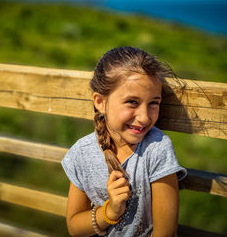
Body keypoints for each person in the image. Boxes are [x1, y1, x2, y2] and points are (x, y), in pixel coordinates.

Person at [61, 46, 187, 237]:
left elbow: (165, 233)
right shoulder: (82, 152)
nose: (144, 118)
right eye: (132, 102)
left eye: (154, 103)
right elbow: (74, 226)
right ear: (100, 102)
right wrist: (110, 212)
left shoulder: (157, 149)